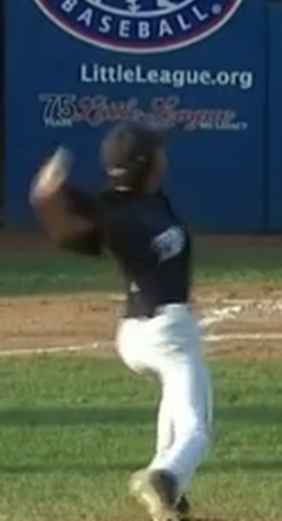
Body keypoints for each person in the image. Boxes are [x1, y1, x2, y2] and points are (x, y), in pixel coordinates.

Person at [28, 121, 209, 521]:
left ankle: (170, 497)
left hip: (137, 334)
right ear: (147, 165)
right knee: (197, 427)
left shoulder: (126, 205)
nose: (164, 155)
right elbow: (65, 229)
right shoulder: (118, 212)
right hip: (169, 331)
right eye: (157, 152)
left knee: (174, 398)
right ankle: (165, 477)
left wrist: (52, 193)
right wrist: (46, 195)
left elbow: (78, 224)